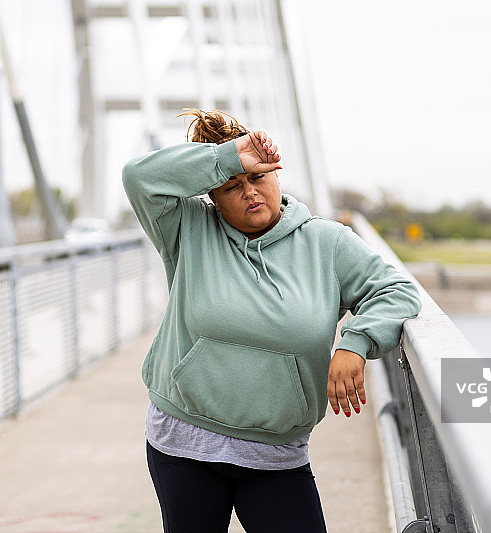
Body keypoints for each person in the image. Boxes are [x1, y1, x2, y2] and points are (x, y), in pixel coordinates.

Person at [122, 109, 422, 533]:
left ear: (276, 175)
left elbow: (396, 290)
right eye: (232, 186)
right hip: (186, 441)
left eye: (258, 179)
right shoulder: (187, 230)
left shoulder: (326, 242)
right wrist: (231, 157)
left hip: (276, 453)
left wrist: (356, 342)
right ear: (214, 196)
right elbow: (138, 177)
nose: (250, 193)